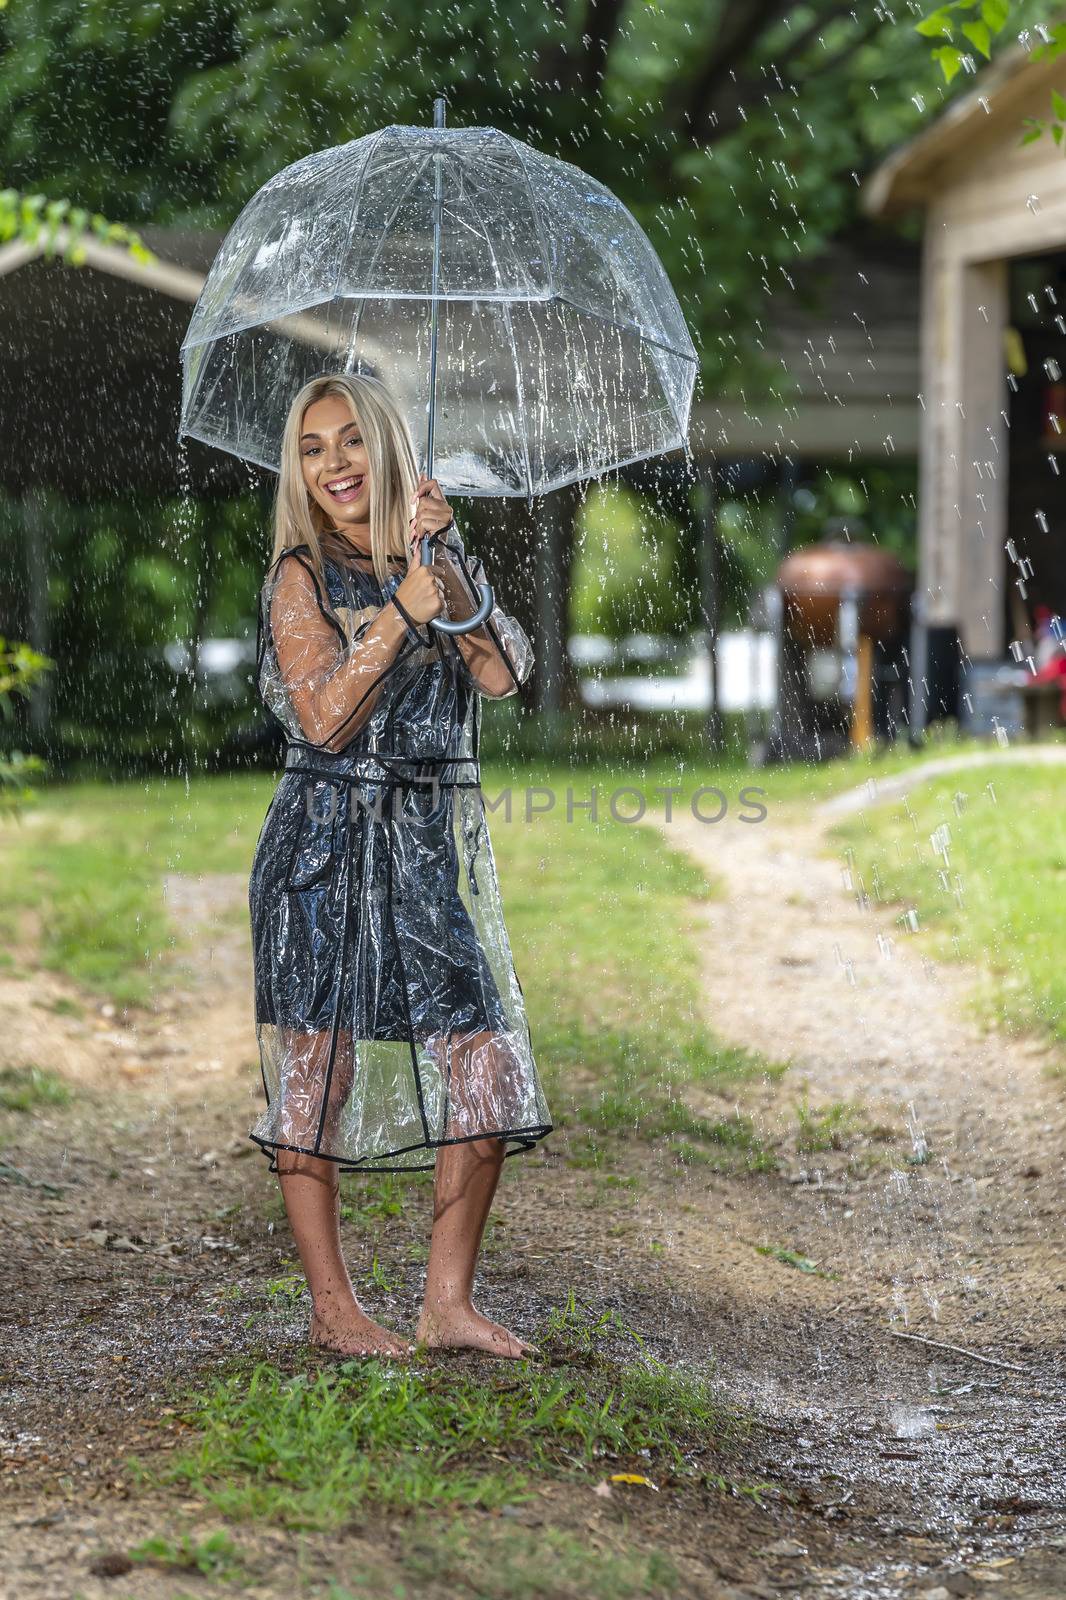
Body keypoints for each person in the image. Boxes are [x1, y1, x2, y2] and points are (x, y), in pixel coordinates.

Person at [247, 371, 552, 1360]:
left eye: (350, 442)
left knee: (487, 1065)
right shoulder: (299, 572)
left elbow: (502, 675)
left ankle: (445, 1302)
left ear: (386, 449)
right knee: (316, 1072)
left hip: (425, 854)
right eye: (311, 446)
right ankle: (333, 1307)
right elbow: (322, 715)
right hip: (323, 849)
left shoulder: (435, 554)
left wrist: (445, 572)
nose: (334, 463)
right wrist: (395, 613)